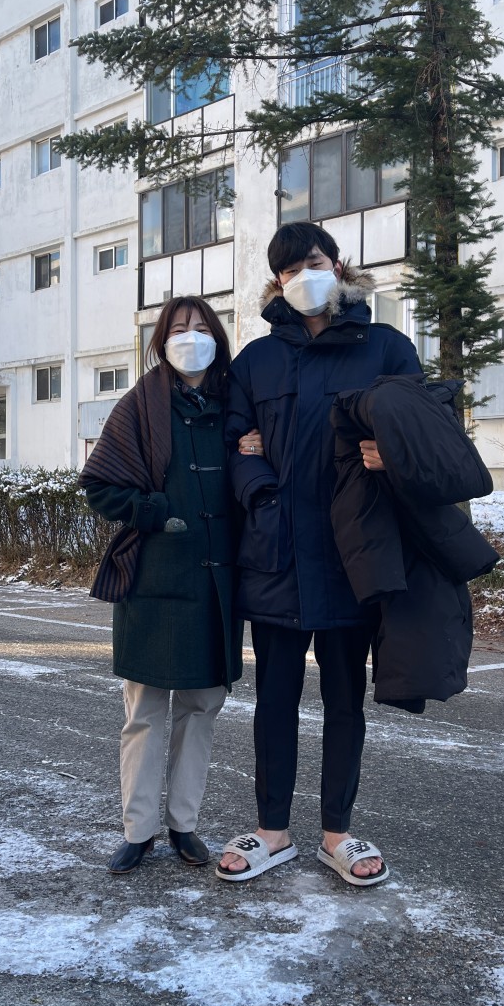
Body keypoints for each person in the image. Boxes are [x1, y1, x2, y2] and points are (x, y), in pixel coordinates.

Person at [217, 222, 423, 887]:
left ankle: (338, 833)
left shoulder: (386, 347)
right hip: (275, 555)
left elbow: (428, 429)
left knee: (344, 700)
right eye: (288, 270)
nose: (301, 277)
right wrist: (260, 491)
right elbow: (232, 442)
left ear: (337, 265)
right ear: (276, 282)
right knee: (273, 701)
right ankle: (272, 831)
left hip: (350, 554)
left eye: (312, 262)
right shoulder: (255, 361)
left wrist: (393, 452)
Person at [80, 296, 261, 875]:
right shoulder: (139, 405)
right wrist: (152, 511)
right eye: (179, 328)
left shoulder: (237, 405)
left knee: (202, 706)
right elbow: (100, 484)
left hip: (218, 581)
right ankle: (138, 831)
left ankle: (184, 824)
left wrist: (259, 448)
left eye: (201, 327)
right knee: (145, 708)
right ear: (161, 340)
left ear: (217, 338)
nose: (191, 337)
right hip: (155, 578)